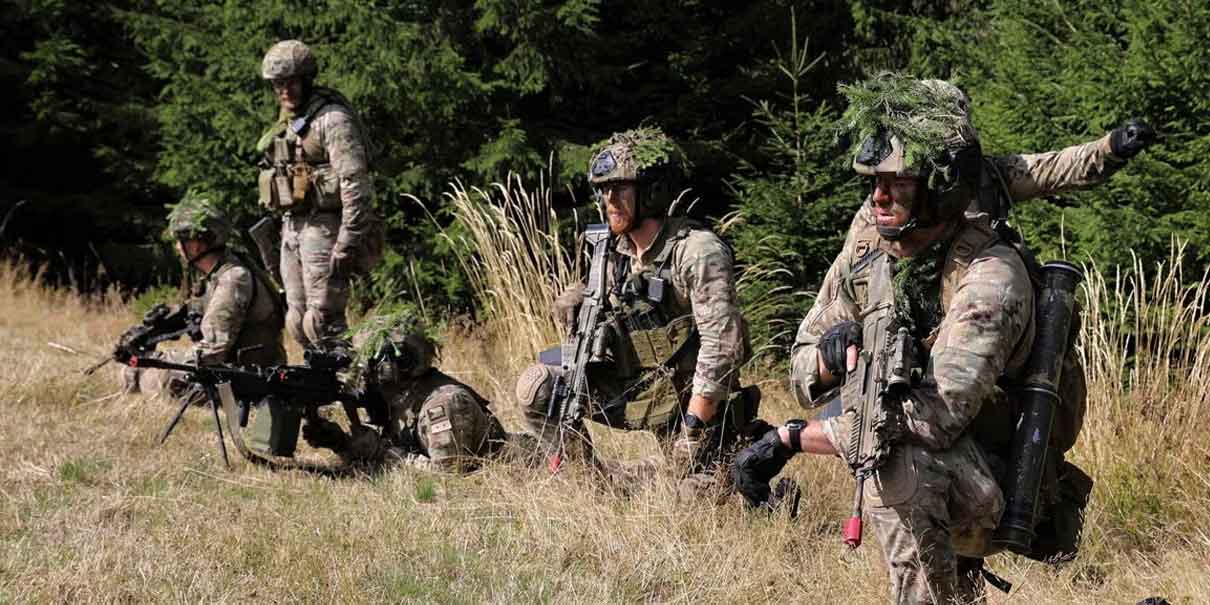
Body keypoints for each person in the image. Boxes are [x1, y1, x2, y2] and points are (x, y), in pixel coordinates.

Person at [734, 74, 1153, 604]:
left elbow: (931, 418)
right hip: (938, 445)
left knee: (895, 462)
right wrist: (824, 358)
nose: (879, 197)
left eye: (898, 182)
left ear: (940, 181)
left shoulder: (989, 275)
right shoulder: (870, 239)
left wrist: (793, 438)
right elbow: (802, 365)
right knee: (889, 444)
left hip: (995, 470)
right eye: (874, 182)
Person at [514, 126, 756, 489]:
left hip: (694, 409)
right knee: (537, 386)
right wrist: (573, 300)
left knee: (691, 500)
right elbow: (599, 294)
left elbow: (722, 348)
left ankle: (740, 476)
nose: (609, 200)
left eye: (620, 189)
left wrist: (691, 431)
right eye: (604, 190)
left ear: (652, 191)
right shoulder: (617, 251)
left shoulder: (696, 252)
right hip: (640, 390)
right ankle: (591, 486)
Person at [256, 39, 380, 354]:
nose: (284, 91)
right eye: (277, 85)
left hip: (326, 228)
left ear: (307, 79)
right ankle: (319, 394)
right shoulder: (288, 123)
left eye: (290, 82)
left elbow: (355, 183)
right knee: (297, 321)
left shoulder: (333, 119)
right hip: (292, 229)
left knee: (323, 321)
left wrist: (347, 241)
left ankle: (356, 389)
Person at [121, 191, 286, 427]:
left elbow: (213, 351)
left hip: (247, 380)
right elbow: (196, 312)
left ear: (196, 244)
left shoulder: (233, 279)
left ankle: (133, 423)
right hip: (236, 373)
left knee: (144, 375)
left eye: (181, 241)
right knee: (136, 370)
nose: (178, 248)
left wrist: (156, 358)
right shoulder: (219, 274)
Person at [301, 312, 513, 472]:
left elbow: (449, 477)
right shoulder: (398, 400)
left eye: (368, 361)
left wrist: (382, 452)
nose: (362, 372)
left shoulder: (444, 405)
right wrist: (340, 443)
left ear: (393, 365)